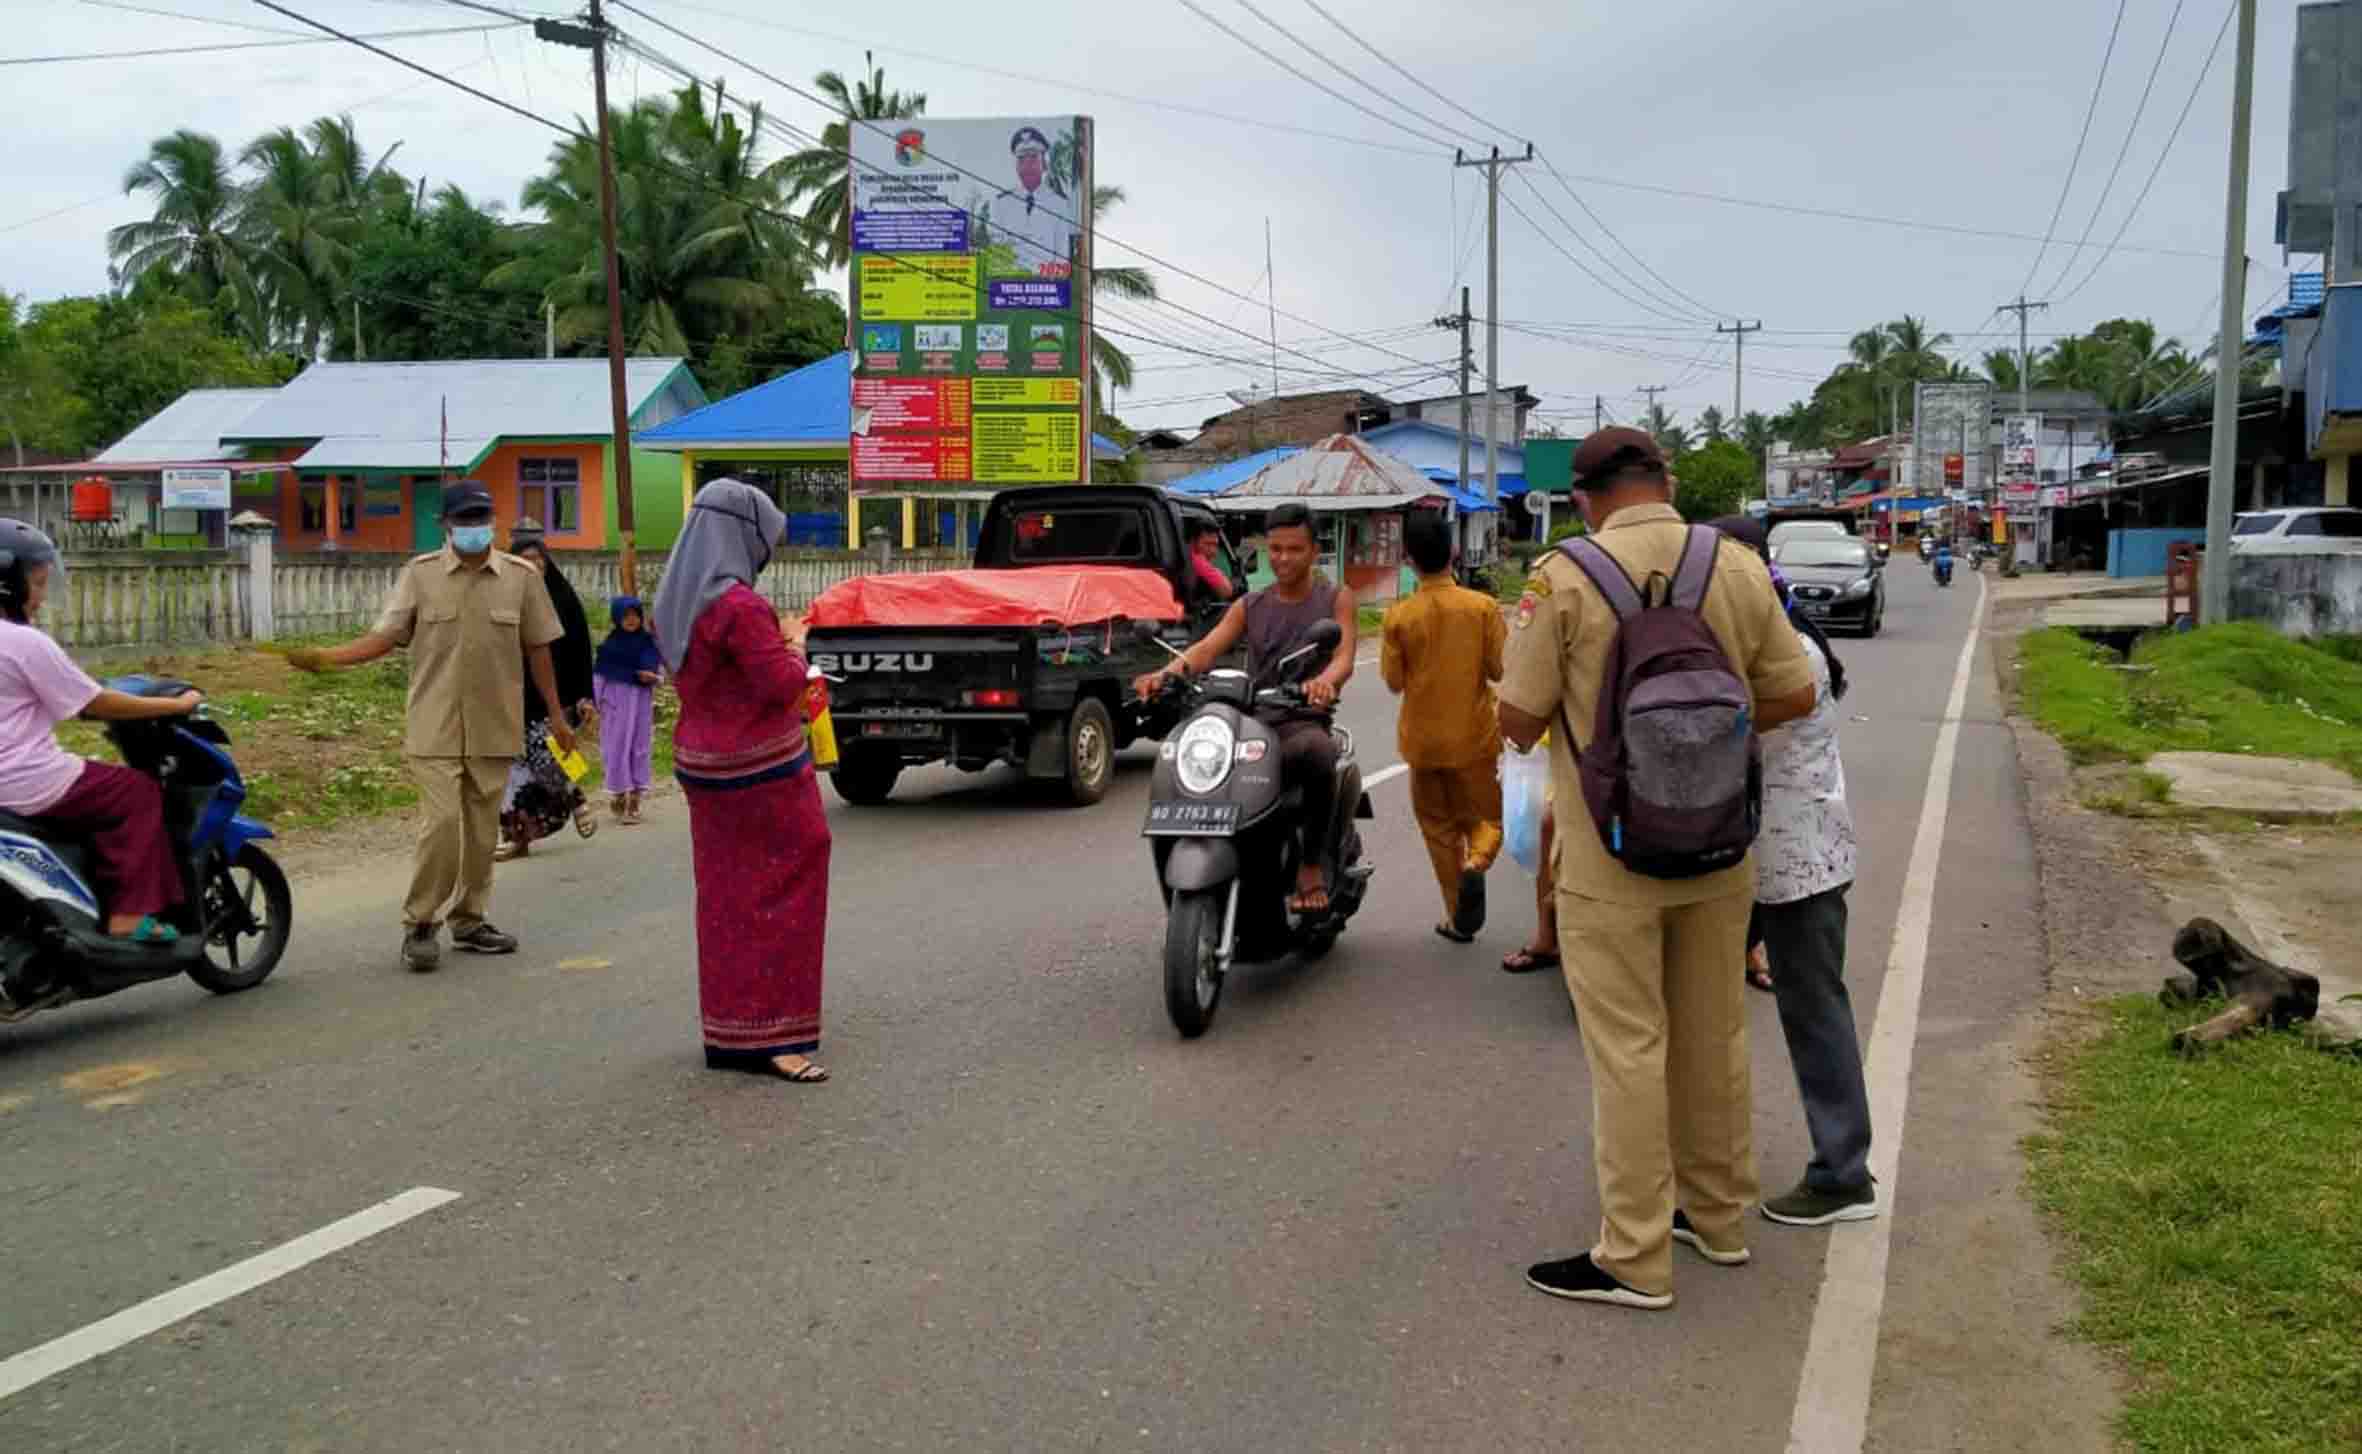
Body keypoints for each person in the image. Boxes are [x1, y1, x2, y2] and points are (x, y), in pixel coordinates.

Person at [1498, 427, 1817, 1311]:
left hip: (1609, 859)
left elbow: (1518, 722)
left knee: (1629, 1049)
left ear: (1585, 498)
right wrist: (1707, 744)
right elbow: (1794, 693)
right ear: (1666, 482)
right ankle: (1716, 1221)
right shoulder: (1740, 567)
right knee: (1713, 1035)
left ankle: (1634, 1256)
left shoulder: (1561, 577)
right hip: (1719, 848)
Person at [290, 483, 570, 973]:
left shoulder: (522, 578)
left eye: (481, 517)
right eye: (463, 520)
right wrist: (327, 659)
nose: (473, 528)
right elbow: (385, 637)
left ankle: (470, 918)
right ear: (446, 525)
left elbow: (540, 648)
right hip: (434, 724)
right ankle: (420, 924)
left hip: (494, 724)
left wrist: (556, 714)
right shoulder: (419, 576)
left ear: (494, 522)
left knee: (483, 833)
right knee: (441, 827)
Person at [1712, 519, 1876, 1228]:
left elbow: (1725, 729)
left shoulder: (1788, 652)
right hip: (1767, 855)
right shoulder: (1777, 635)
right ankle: (1712, 1165)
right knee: (1711, 1007)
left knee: (1814, 1012)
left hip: (1797, 861)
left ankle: (1843, 1175)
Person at [653, 479, 833, 1084]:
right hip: (762, 770)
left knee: (727, 897)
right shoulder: (740, 607)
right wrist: (795, 642)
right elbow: (782, 687)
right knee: (786, 888)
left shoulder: (675, 600)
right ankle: (776, 1037)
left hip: (704, 766)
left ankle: (729, 1031)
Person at [1134, 502, 1355, 913]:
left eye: (1294, 549)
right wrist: (1162, 676)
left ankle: (1310, 865)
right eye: (1275, 549)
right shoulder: (1250, 605)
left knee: (1318, 753)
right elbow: (1204, 650)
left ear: (1312, 550)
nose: (1283, 558)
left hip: (1299, 718)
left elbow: (1343, 655)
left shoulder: (1335, 599)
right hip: (1254, 720)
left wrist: (1326, 682)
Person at [0, 518, 201, 941]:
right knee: (136, 792)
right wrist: (176, 704)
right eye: (36, 585)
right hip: (23, 779)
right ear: (8, 585)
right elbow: (94, 703)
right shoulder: (23, 642)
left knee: (90, 779)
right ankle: (128, 917)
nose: (39, 598)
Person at [1381, 509, 1505, 943]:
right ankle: (1477, 863)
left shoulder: (1398, 616)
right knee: (1485, 820)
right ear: (1454, 552)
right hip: (1474, 738)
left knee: (1437, 828)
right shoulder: (1483, 607)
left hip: (1422, 742)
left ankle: (1456, 915)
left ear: (1407, 558)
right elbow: (1498, 669)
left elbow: (1394, 683)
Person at [495, 519, 598, 860]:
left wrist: (585, 696)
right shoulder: (503, 600)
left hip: (557, 694)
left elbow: (582, 651)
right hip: (512, 693)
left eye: (538, 559)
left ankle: (576, 795)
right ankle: (516, 836)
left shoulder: (564, 599)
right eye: (524, 559)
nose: (533, 565)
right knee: (512, 769)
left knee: (551, 750)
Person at [593, 594, 661, 825]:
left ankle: (635, 801)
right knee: (616, 749)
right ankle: (619, 793)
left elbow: (655, 669)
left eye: (635, 615)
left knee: (640, 748)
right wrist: (594, 703)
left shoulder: (648, 642)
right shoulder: (609, 647)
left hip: (640, 702)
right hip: (615, 705)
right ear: (617, 618)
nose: (631, 620)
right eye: (626, 616)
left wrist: (651, 676)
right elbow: (599, 677)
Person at [980, 125, 1075, 276]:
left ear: (1043, 163)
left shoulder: (1059, 204)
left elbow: (1062, 257)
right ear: (1016, 165)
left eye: (1033, 158)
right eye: (1021, 159)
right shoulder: (1000, 203)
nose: (1027, 165)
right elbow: (997, 253)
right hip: (1010, 285)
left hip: (1046, 288)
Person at [1185, 519, 1235, 602]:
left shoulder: (1186, 556)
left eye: (1215, 545)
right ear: (1193, 541)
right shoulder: (1197, 560)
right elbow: (1226, 591)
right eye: (1207, 544)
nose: (1213, 551)